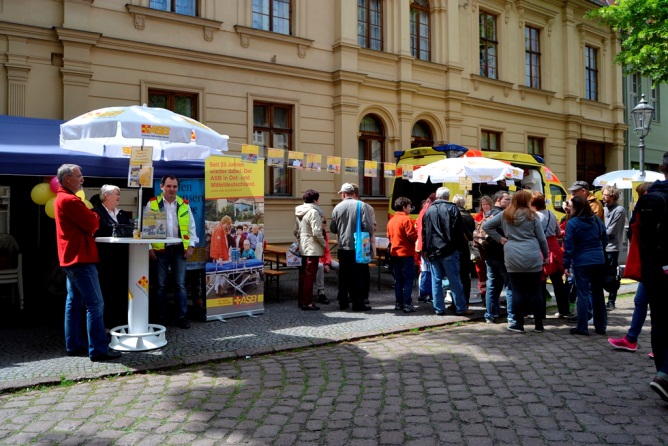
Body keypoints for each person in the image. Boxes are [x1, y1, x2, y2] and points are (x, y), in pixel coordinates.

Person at [54, 164, 121, 362]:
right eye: (79, 176)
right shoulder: (70, 200)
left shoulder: (63, 198)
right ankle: (99, 349)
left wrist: (92, 216)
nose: (82, 179)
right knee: (95, 304)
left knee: (74, 303)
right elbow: (93, 223)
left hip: (71, 258)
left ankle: (74, 344)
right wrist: (94, 216)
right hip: (80, 258)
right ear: (68, 179)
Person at [484, 190, 548, 333]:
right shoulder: (533, 216)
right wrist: (546, 255)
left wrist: (499, 238)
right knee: (535, 291)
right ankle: (538, 325)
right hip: (532, 253)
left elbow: (486, 226)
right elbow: (542, 238)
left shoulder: (505, 214)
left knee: (516, 290)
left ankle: (518, 324)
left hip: (512, 254)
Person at [635, 152, 668, 402]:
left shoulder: (647, 198)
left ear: (661, 168)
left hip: (653, 269)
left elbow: (633, 236)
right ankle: (664, 376)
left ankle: (662, 372)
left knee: (659, 321)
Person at [147, 175, 199, 329]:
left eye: (174, 186)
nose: (172, 189)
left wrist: (190, 247)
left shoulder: (184, 205)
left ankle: (182, 316)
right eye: (168, 186)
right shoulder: (152, 204)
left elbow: (191, 228)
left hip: (178, 250)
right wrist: (150, 248)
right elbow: (148, 230)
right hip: (160, 250)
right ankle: (161, 318)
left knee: (180, 285)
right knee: (161, 285)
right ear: (161, 187)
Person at [608, 182, 652, 353]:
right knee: (640, 301)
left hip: (655, 265)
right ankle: (632, 339)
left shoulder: (649, 208)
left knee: (653, 304)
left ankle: (658, 346)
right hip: (650, 264)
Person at [421, 187, 472, 316]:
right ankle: (460, 307)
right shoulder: (452, 208)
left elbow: (425, 232)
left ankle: (438, 308)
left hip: (433, 250)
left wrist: (425, 249)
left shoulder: (429, 210)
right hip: (449, 250)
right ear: (448, 197)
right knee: (454, 280)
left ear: (437, 196)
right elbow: (458, 230)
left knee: (436, 280)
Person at [562, 195, 607, 336]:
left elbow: (569, 246)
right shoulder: (596, 220)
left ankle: (582, 327)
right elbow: (604, 238)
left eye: (571, 206)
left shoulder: (573, 223)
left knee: (582, 293)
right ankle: (601, 326)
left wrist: (566, 265)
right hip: (599, 260)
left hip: (582, 262)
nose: (569, 208)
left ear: (576, 208)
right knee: (598, 293)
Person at [93, 184, 132, 330]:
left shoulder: (122, 214)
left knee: (121, 289)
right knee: (107, 290)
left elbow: (128, 231)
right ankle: (108, 324)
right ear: (106, 195)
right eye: (116, 194)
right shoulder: (97, 213)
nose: (119, 197)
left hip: (122, 258)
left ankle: (122, 322)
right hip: (106, 259)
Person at [330, 183, 372, 311]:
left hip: (343, 246)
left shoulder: (337, 207)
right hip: (358, 246)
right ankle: (358, 304)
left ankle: (343, 302)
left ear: (343, 194)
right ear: (353, 193)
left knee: (343, 275)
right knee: (359, 275)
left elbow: (333, 228)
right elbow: (368, 226)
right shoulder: (361, 205)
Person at [530, 192, 570, 319]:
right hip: (554, 249)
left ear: (532, 204)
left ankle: (540, 313)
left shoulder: (532, 216)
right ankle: (564, 310)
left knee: (540, 283)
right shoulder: (551, 214)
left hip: (539, 249)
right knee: (558, 282)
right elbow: (558, 233)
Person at [482, 191, 513, 325]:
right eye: (508, 199)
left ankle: (490, 315)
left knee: (492, 286)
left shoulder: (488, 214)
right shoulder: (502, 215)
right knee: (509, 286)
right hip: (502, 255)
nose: (510, 201)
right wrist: (500, 239)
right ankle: (512, 316)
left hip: (489, 255)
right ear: (499, 200)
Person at [294, 189, 327, 311]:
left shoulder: (299, 212)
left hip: (303, 245)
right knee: (310, 275)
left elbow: (296, 231)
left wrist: (300, 240)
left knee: (303, 274)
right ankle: (307, 302)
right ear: (315, 200)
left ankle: (301, 301)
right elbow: (317, 232)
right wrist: (323, 244)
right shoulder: (313, 212)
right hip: (312, 247)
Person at [386, 197, 418, 313]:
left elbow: (389, 237)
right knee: (408, 279)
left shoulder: (391, 221)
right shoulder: (407, 220)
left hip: (394, 253)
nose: (410, 209)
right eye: (409, 206)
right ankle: (407, 304)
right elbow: (412, 236)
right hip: (406, 253)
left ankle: (398, 303)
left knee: (398, 280)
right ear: (404, 207)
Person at [601, 185, 626, 310]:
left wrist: (599, 234)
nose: (603, 196)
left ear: (612, 196)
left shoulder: (619, 210)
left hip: (612, 248)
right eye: (603, 194)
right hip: (601, 247)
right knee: (600, 274)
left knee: (611, 275)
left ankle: (611, 301)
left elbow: (611, 232)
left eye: (606, 194)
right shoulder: (603, 208)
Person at [352, 183, 375, 305]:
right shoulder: (367, 207)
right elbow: (372, 227)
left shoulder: (366, 207)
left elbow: (372, 226)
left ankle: (360, 296)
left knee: (360, 271)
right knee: (363, 271)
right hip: (363, 244)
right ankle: (363, 296)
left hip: (357, 244)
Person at [453, 194, 475, 307]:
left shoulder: (452, 215)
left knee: (454, 277)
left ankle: (454, 302)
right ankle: (465, 302)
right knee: (465, 277)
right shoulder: (468, 216)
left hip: (454, 249)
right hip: (465, 249)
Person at [416, 193, 437, 303]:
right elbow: (426, 232)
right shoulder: (428, 211)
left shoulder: (423, 211)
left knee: (424, 270)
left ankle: (423, 293)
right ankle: (426, 293)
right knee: (427, 271)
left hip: (422, 245)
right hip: (427, 246)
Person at [315, 215, 338, 304]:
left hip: (325, 260)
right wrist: (324, 264)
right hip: (317, 259)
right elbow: (315, 253)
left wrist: (327, 263)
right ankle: (321, 292)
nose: (326, 225)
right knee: (320, 267)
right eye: (324, 222)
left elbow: (327, 251)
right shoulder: (315, 234)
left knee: (339, 266)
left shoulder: (325, 234)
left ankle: (341, 291)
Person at [473, 195, 493, 301]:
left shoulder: (494, 215)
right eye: (483, 204)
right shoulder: (478, 216)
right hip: (480, 247)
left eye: (487, 204)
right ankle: (483, 291)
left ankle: (490, 291)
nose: (485, 206)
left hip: (490, 247)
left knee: (491, 270)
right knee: (480, 269)